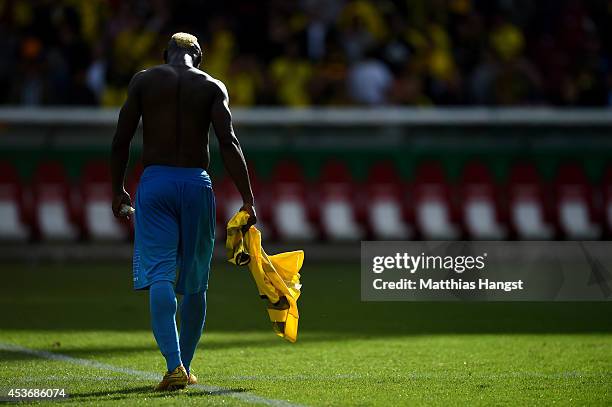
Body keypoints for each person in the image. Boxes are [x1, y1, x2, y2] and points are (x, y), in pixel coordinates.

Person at [110, 32, 257, 391]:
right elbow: (229, 142)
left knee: (160, 273)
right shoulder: (211, 85)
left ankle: (174, 365)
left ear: (166, 55)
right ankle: (185, 366)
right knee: (194, 281)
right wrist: (248, 198)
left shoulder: (144, 81)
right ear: (199, 57)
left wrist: (117, 189)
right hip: (195, 184)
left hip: (156, 182)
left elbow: (122, 138)